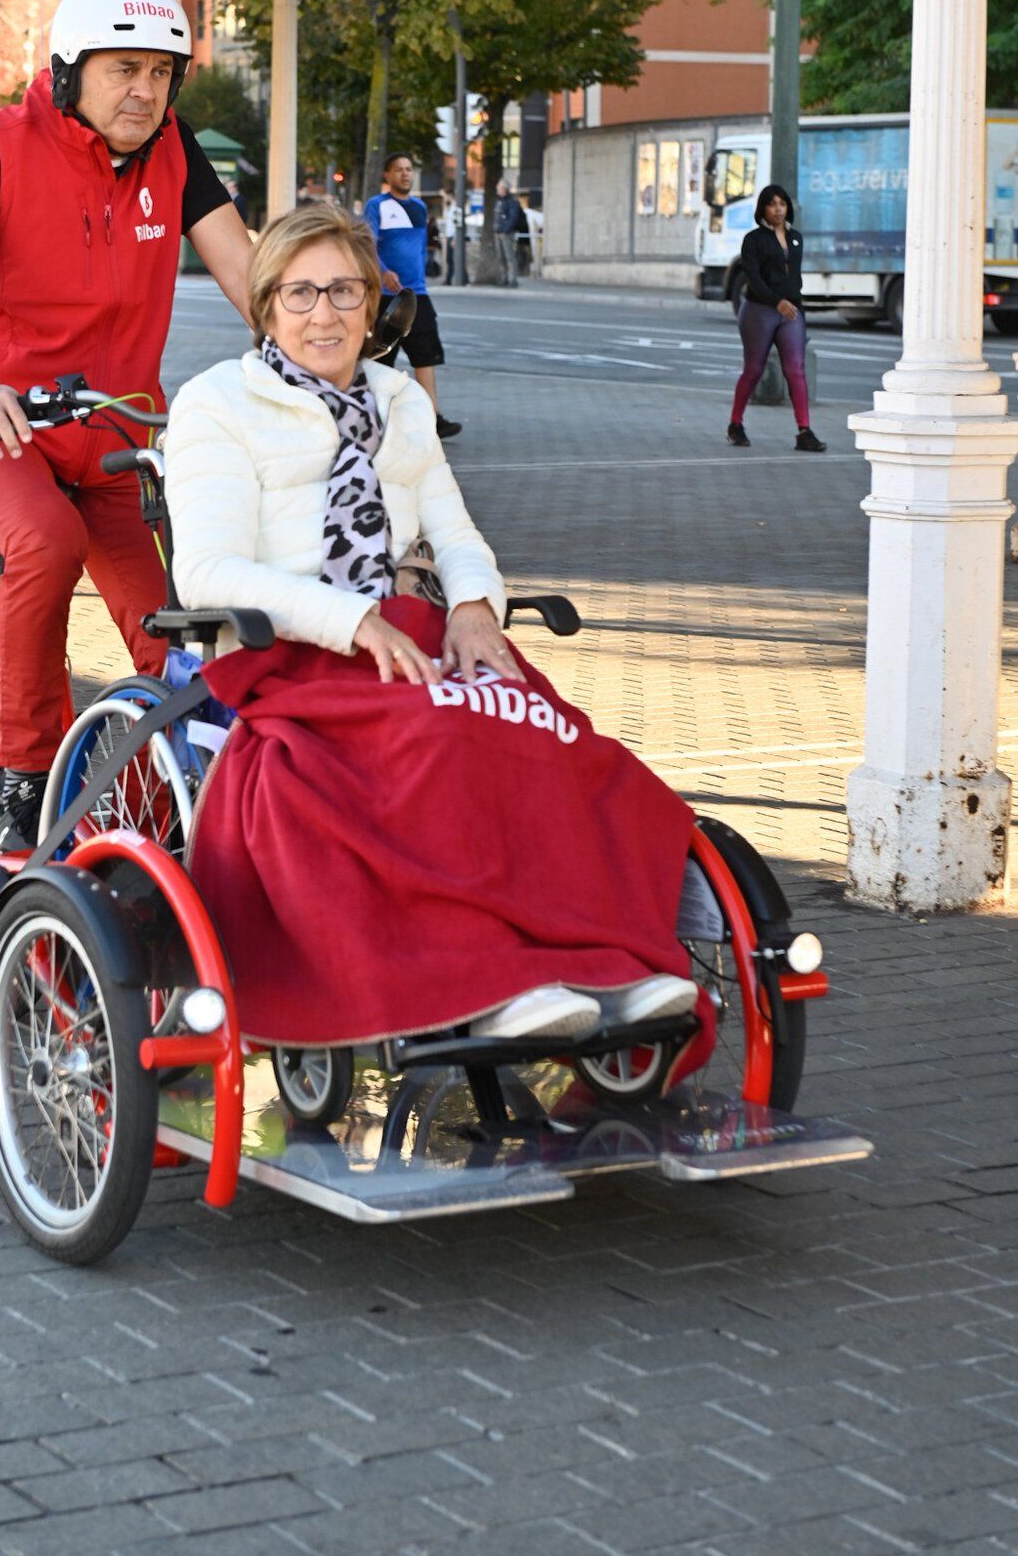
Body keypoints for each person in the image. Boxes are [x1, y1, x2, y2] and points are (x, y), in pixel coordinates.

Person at [163, 202, 701, 1053]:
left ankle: (609, 959)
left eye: (344, 291)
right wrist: (356, 621)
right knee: (437, 737)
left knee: (558, 740)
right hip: (288, 651)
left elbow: (451, 530)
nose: (324, 314)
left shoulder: (400, 401)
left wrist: (476, 606)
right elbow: (209, 573)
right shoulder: (218, 403)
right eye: (300, 294)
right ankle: (492, 980)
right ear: (265, 305)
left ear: (373, 306)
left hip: (412, 631)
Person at [0, 0, 254, 849]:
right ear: (69, 71)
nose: (146, 90)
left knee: (179, 626)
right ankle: (24, 772)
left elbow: (248, 273)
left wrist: (320, 355)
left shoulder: (173, 151)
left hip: (118, 437)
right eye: (124, 68)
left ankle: (156, 814)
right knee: (43, 543)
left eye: (162, 73)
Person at [364, 151, 462, 439]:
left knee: (425, 357)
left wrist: (420, 278)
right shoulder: (377, 205)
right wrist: (383, 271)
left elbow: (419, 249)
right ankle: (376, 416)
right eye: (399, 169)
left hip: (417, 293)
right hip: (384, 295)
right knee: (381, 359)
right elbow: (367, 243)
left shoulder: (419, 207)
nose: (405, 174)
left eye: (409, 169)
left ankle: (432, 417)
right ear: (388, 175)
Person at [727, 184, 826, 452]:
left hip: (790, 311)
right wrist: (776, 302)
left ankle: (804, 431)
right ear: (763, 209)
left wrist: (796, 307)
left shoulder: (796, 238)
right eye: (773, 204)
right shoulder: (753, 239)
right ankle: (735, 423)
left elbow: (794, 279)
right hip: (760, 311)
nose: (778, 208)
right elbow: (754, 279)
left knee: (795, 370)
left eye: (782, 203)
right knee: (754, 370)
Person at [494, 179, 524, 288]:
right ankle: (504, 278)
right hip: (498, 233)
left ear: (504, 189)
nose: (497, 189)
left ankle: (513, 280)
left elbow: (513, 218)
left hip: (507, 234)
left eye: (499, 187)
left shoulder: (512, 202)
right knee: (500, 257)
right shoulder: (499, 201)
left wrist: (505, 230)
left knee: (510, 257)